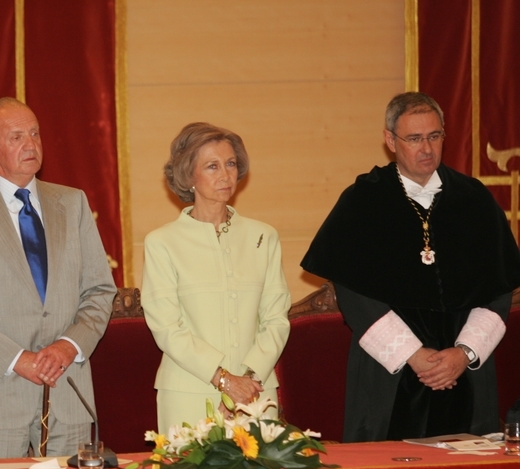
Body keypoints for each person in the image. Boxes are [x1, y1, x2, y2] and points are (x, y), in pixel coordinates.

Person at [301, 92, 520, 441]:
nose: (427, 148)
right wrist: (414, 355)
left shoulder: (473, 199)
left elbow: (499, 287)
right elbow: (354, 294)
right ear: (390, 141)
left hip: (464, 371)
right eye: (414, 139)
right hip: (390, 373)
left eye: (434, 136)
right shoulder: (363, 201)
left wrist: (463, 354)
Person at [0, 97, 117, 459]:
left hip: (68, 390)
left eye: (34, 133)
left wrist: (68, 346)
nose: (31, 144)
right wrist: (19, 359)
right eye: (17, 136)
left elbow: (100, 290)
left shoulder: (73, 202)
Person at [141, 123, 291, 433]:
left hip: (256, 393)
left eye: (231, 163)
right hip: (187, 393)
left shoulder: (264, 236)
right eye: (212, 166)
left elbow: (276, 318)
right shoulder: (162, 242)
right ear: (188, 175)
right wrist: (224, 380)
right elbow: (166, 326)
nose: (225, 174)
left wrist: (247, 381)